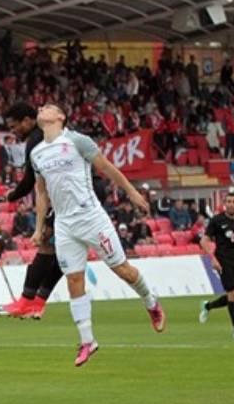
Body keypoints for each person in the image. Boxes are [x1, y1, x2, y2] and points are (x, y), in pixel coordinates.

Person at [30, 103, 165, 367]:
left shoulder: (77, 140)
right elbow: (42, 193)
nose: (41, 108)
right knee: (74, 281)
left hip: (92, 219)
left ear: (60, 116)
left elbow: (106, 167)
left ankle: (151, 302)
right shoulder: (37, 153)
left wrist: (132, 192)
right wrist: (37, 228)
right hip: (65, 225)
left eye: (48, 107)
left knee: (123, 270)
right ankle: (87, 341)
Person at [0, 102, 64, 320]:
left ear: (28, 120)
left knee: (45, 247)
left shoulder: (36, 139)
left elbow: (30, 179)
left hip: (67, 199)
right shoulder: (59, 134)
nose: (13, 132)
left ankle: (26, 300)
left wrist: (11, 196)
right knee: (65, 255)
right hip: (80, 195)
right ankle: (38, 303)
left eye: (15, 126)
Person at [199, 192, 234, 339]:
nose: (231, 204)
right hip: (222, 261)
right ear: (225, 203)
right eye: (228, 201)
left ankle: (207, 306)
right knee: (233, 295)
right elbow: (203, 241)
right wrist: (213, 259)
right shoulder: (217, 220)